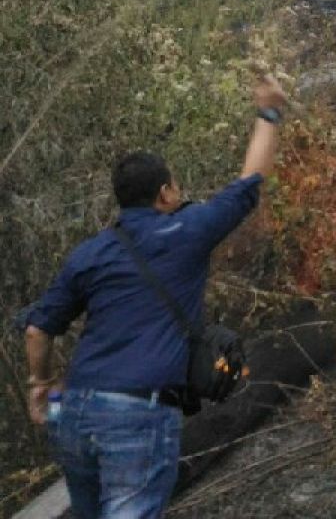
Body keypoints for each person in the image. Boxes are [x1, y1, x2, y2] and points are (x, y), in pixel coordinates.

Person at [22, 75, 287, 518]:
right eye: (175, 185)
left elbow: (37, 329)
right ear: (165, 192)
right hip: (138, 414)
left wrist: (39, 386)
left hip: (72, 412)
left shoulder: (90, 253)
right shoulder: (185, 230)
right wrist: (270, 112)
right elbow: (250, 183)